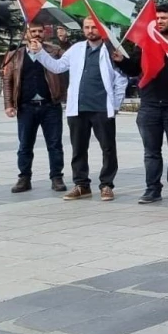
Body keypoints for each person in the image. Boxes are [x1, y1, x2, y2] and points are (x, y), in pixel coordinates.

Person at [30, 16, 128, 201]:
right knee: (78, 148)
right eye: (87, 27)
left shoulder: (110, 51)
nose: (90, 30)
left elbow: (121, 80)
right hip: (78, 108)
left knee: (108, 148)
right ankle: (82, 185)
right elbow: (57, 67)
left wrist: (115, 104)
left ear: (101, 29)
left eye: (94, 27)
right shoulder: (76, 49)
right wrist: (40, 52)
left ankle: (106, 185)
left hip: (101, 107)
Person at [113, 4, 168, 204]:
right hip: (150, 104)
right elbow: (135, 69)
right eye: (157, 18)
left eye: (164, 18)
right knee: (151, 152)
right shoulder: (146, 40)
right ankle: (152, 189)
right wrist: (120, 61)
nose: (160, 21)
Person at [3, 20, 67, 193]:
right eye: (33, 31)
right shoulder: (15, 55)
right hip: (26, 107)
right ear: (26, 34)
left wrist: (63, 41)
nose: (37, 34)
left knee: (54, 144)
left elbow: (68, 60)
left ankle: (56, 177)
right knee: (25, 145)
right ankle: (24, 178)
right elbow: (8, 80)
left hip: (50, 106)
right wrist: (9, 104)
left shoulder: (54, 52)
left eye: (40, 31)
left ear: (44, 33)